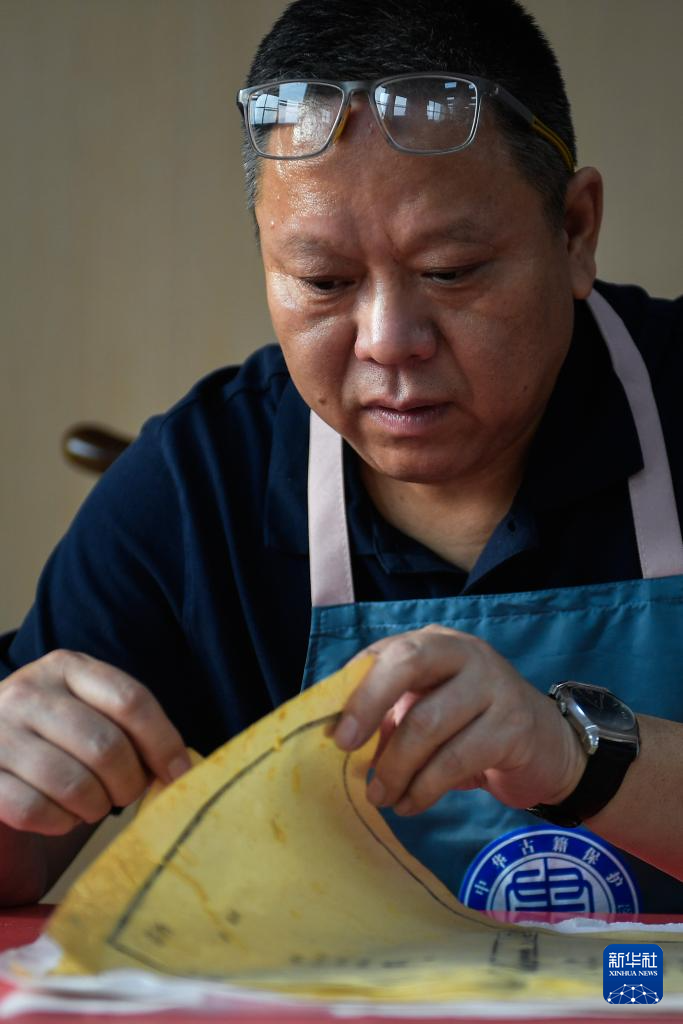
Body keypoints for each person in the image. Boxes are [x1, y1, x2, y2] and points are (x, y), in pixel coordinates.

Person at [1, 0, 682, 914]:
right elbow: (18, 862)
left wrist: (575, 753)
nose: (388, 341)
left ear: (574, 231)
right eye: (324, 281)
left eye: (448, 271)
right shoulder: (199, 487)